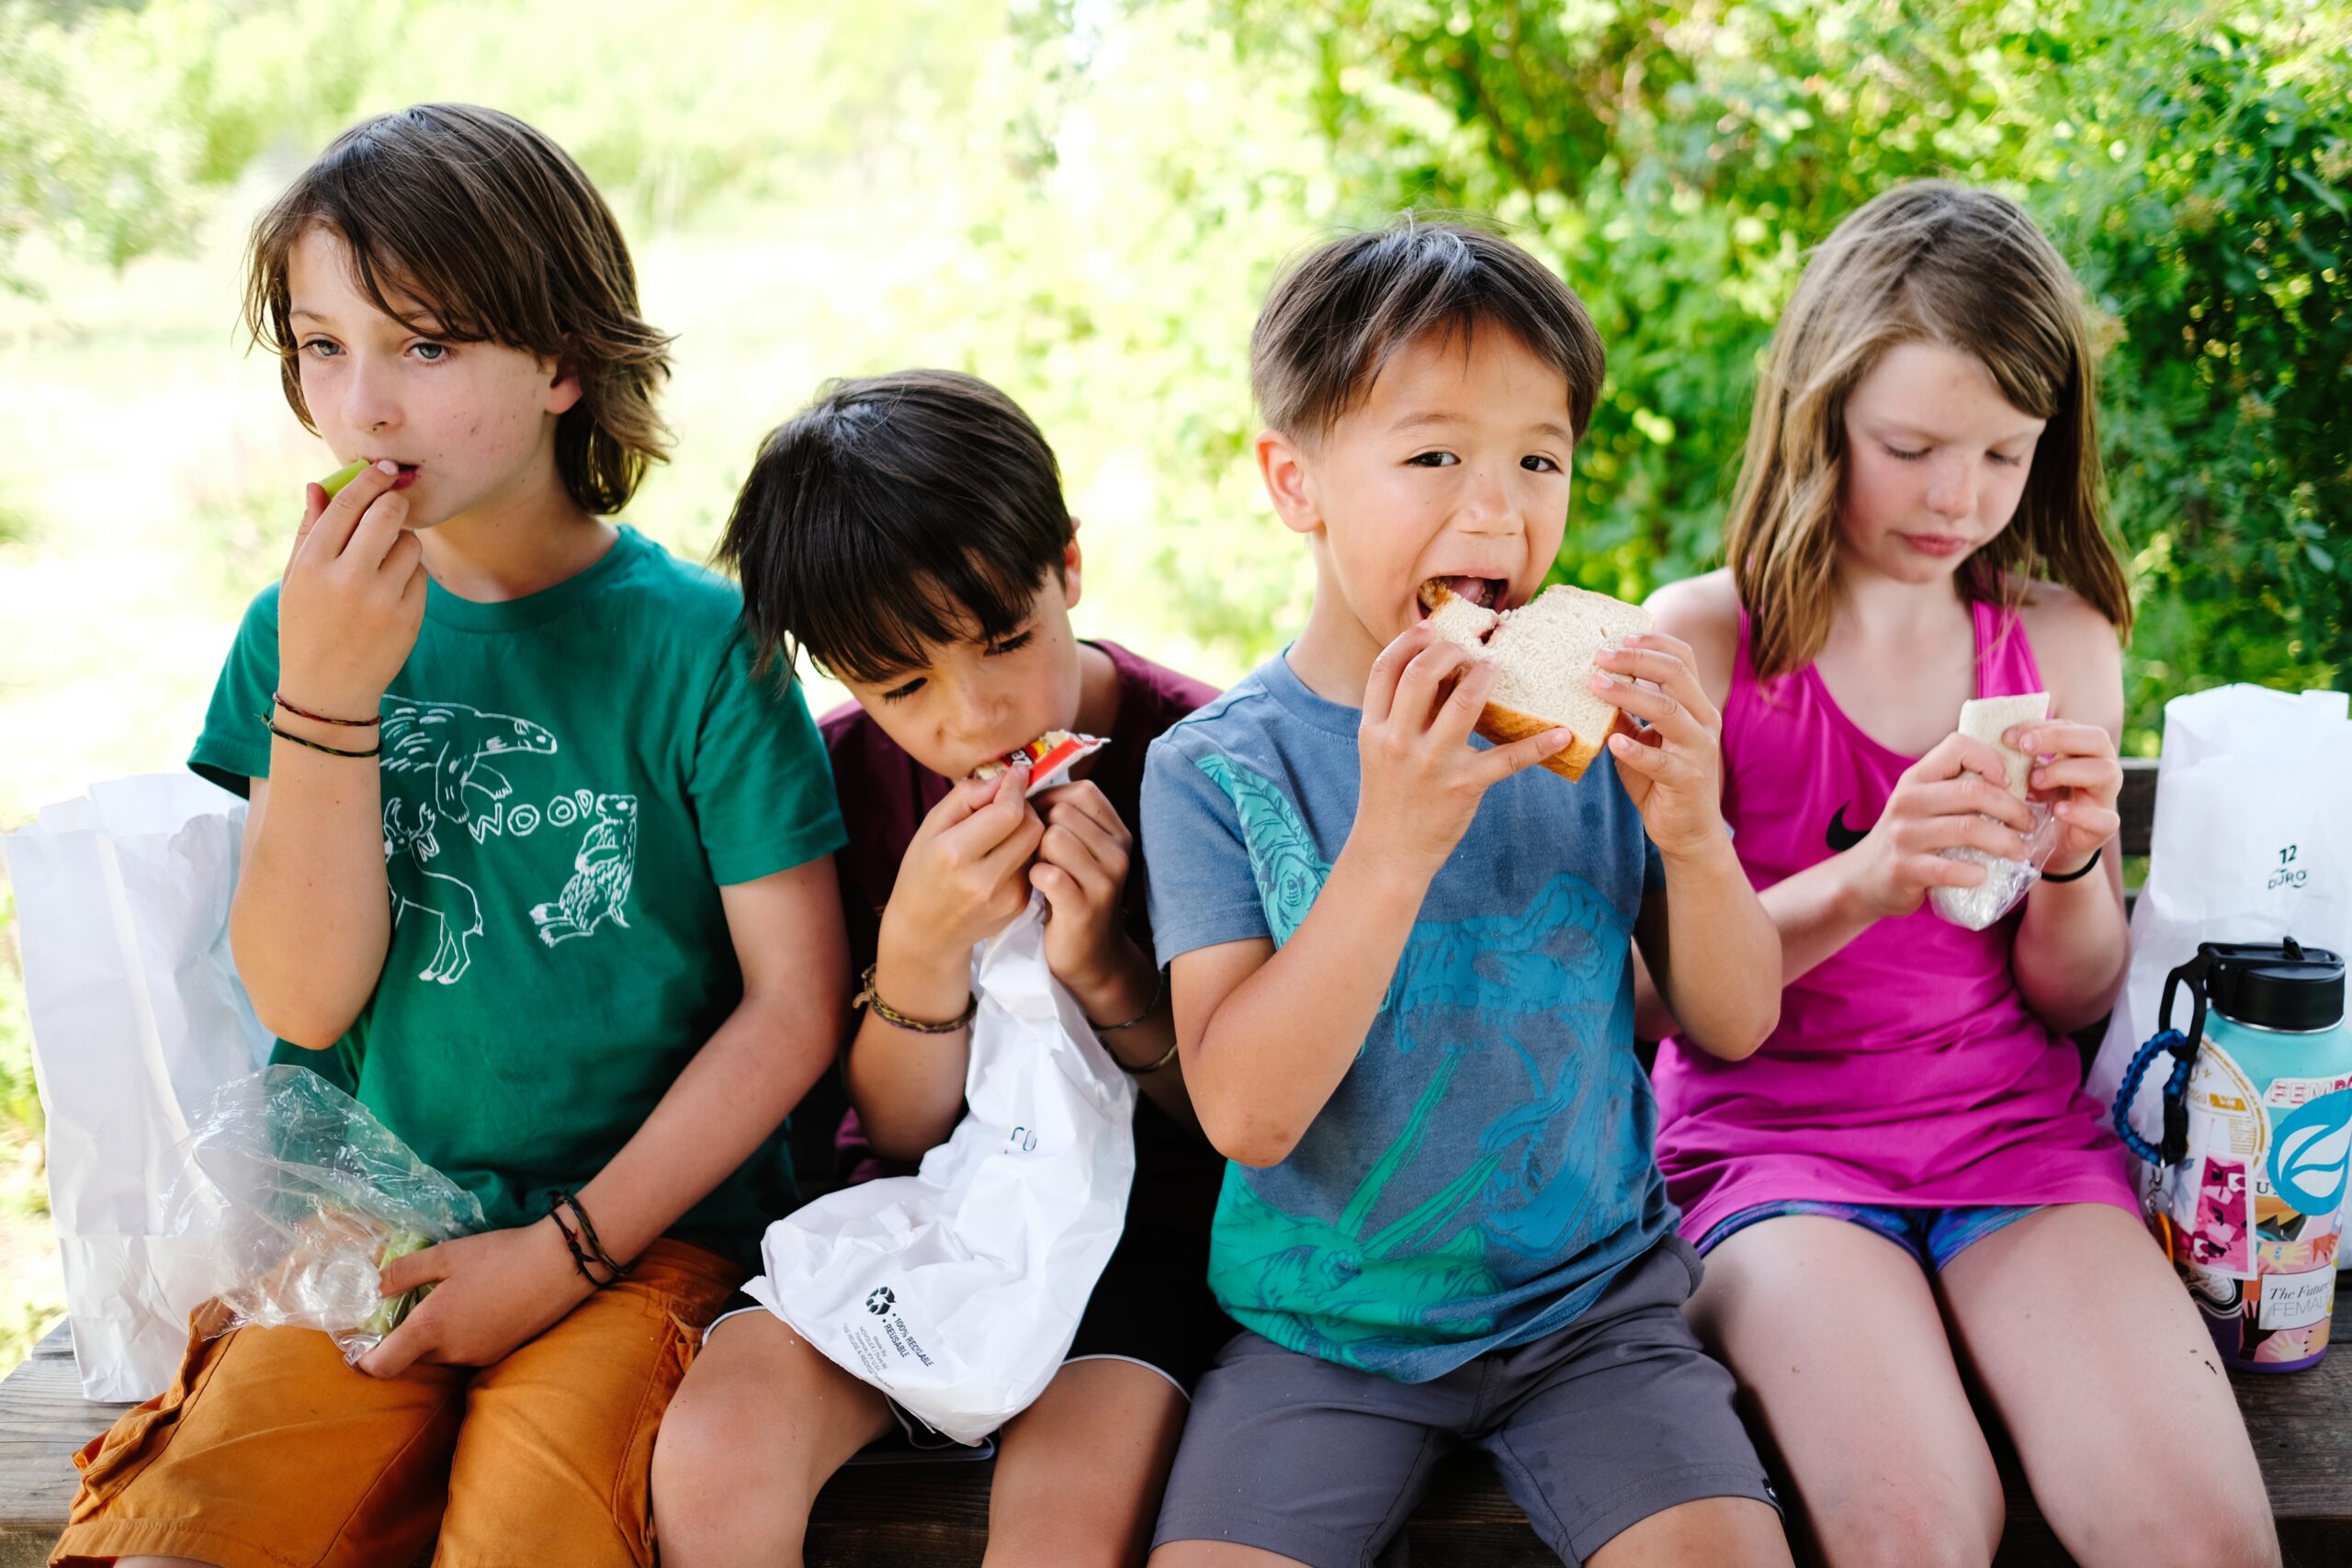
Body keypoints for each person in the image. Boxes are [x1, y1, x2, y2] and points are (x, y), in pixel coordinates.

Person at [53, 103, 850, 1568]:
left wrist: (568, 1256)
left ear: (563, 362)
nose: (364, 403)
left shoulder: (702, 646)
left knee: (535, 1532)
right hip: (353, 1230)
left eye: (424, 346)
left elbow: (795, 1008)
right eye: (320, 345)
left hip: (640, 1238)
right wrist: (329, 700)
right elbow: (301, 999)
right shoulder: (296, 635)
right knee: (187, 1538)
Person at [1138, 216, 1792, 1568]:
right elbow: (1247, 1115)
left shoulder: (1595, 723)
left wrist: (1694, 832)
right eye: (1434, 455)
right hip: (1319, 1331)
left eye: (1537, 460)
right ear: (1294, 481)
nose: (1496, 510)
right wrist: (1389, 846)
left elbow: (1733, 1022)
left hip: (1595, 1314)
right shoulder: (1219, 768)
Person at [1645, 181, 2278, 1568]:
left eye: (2003, 455)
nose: (1957, 498)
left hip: (2011, 1135)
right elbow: (1665, 1006)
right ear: (1820, 416)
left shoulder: (2061, 641)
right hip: (1772, 1149)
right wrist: (1874, 873)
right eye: (1912, 445)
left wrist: (2067, 861)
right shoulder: (1704, 642)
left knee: (2199, 1537)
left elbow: (2069, 993)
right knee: (1918, 1531)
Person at [652, 368, 1235, 1568]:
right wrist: (919, 950)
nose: (973, 719)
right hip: (922, 1221)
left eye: (1005, 641)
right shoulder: (835, 789)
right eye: (903, 684)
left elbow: (1241, 1120)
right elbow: (905, 1139)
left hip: (1152, 1239)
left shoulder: (1210, 762)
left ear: (1069, 568)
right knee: (717, 1449)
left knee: (1064, 1527)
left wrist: (1111, 971)